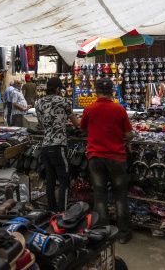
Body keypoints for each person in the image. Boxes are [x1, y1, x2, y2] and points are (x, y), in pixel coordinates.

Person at [80, 77, 133, 244]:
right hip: (116, 158)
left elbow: (82, 129)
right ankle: (123, 234)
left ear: (96, 91)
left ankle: (104, 233)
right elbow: (129, 135)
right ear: (112, 91)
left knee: (100, 195)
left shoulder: (89, 109)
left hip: (95, 158)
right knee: (120, 195)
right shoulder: (119, 109)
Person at [35, 77, 79, 212]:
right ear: (58, 89)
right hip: (59, 145)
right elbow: (76, 123)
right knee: (64, 181)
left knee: (50, 179)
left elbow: (41, 126)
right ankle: (62, 213)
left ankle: (51, 211)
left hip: (45, 145)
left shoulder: (38, 103)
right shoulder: (64, 101)